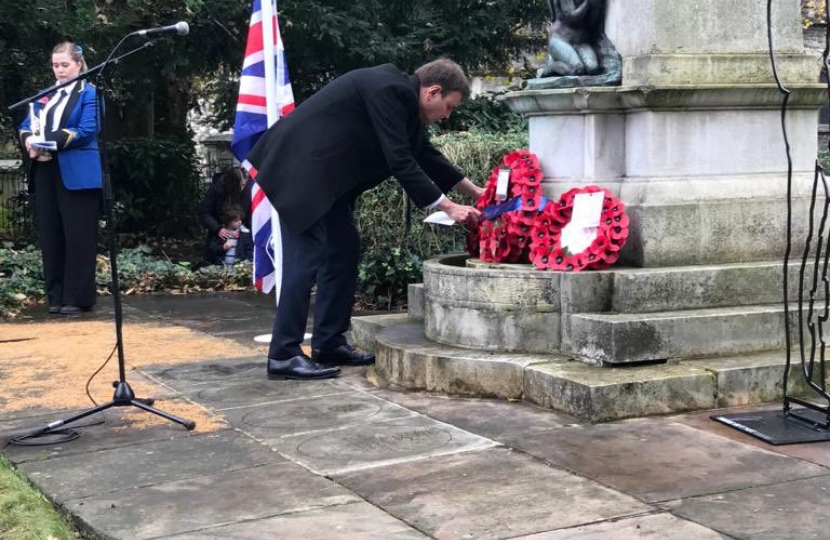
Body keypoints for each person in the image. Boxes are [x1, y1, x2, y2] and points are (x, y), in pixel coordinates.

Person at [247, 58, 484, 381]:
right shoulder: (389, 90)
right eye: (449, 107)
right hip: (299, 172)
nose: (447, 116)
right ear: (433, 91)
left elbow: (424, 154)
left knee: (343, 249)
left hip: (325, 182)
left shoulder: (403, 102)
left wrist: (475, 193)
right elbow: (400, 160)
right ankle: (284, 355)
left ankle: (329, 343)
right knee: (306, 260)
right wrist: (448, 207)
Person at [18, 41, 102, 316]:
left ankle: (78, 298)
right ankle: (55, 296)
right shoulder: (45, 95)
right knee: (51, 233)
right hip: (45, 170)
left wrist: (48, 142)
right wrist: (30, 139)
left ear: (79, 64)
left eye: (65, 65)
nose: (60, 70)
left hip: (76, 171)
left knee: (78, 236)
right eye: (55, 65)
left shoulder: (89, 93)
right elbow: (25, 124)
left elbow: (87, 129)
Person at [198, 166, 253, 265]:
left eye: (243, 185)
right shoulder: (216, 189)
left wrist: (245, 231)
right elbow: (204, 212)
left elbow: (249, 214)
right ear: (232, 183)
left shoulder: (247, 189)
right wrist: (218, 228)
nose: (241, 188)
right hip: (218, 233)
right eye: (239, 185)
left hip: (242, 236)